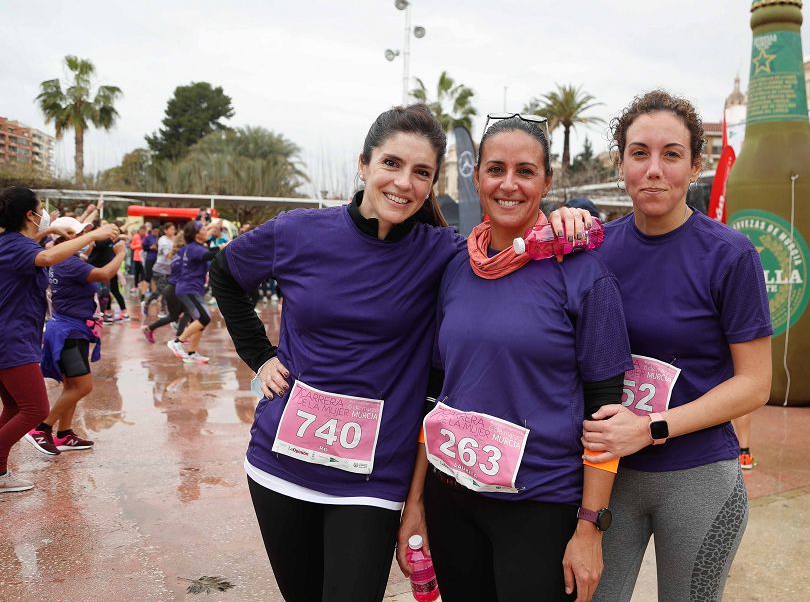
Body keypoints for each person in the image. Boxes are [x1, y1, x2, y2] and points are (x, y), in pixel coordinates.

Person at [209, 104, 591, 602]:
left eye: (421, 172)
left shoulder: (444, 253)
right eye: (391, 163)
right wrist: (259, 355)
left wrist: (565, 219)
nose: (403, 182)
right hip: (282, 464)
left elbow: (505, 242)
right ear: (364, 164)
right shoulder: (298, 232)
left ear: (432, 183)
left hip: (373, 478)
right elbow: (225, 274)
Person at [404, 114, 632, 602]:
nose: (509, 184)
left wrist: (591, 527)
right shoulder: (456, 268)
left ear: (547, 182)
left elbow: (605, 413)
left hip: (540, 504)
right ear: (477, 177)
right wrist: (416, 501)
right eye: (496, 169)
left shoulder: (584, 274)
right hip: (453, 498)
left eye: (525, 171)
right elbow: (436, 395)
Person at [580, 90, 773, 602]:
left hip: (698, 476)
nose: (654, 170)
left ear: (694, 164)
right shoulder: (595, 249)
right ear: (620, 162)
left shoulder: (730, 256)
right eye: (639, 153)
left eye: (671, 154)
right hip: (608, 475)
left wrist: (649, 428)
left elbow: (755, 384)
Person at [0, 186, 118, 493]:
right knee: (36, 410)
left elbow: (36, 247)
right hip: (12, 340)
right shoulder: (21, 247)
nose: (44, 215)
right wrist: (93, 235)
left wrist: (50, 227)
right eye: (41, 210)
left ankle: (5, 465)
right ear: (29, 214)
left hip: (14, 336)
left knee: (14, 408)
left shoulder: (11, 242)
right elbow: (48, 255)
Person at [26, 221, 126, 455]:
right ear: (67, 236)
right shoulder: (70, 263)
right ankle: (42, 429)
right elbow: (104, 274)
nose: (86, 235)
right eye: (80, 232)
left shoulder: (58, 258)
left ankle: (64, 434)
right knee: (83, 386)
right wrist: (120, 254)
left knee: (71, 386)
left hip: (65, 329)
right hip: (70, 332)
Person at [166, 221, 220, 364]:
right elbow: (209, 255)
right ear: (196, 234)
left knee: (198, 322)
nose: (206, 231)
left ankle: (191, 353)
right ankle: (177, 342)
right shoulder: (195, 248)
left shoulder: (194, 247)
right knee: (204, 318)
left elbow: (209, 255)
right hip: (188, 289)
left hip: (193, 288)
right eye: (203, 229)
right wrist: (224, 247)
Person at [144, 222, 177, 317]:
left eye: (173, 229)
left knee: (167, 290)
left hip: (170, 269)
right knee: (162, 290)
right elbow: (168, 255)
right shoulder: (163, 240)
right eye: (170, 229)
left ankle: (162, 309)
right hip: (160, 269)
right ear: (165, 230)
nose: (173, 231)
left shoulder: (175, 240)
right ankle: (148, 303)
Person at [129, 227, 145, 295]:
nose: (142, 232)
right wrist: (139, 246)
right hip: (136, 257)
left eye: (144, 231)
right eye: (141, 230)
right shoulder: (135, 236)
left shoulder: (146, 236)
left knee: (143, 273)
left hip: (144, 258)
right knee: (136, 273)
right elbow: (131, 246)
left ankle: (142, 286)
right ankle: (135, 286)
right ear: (139, 230)